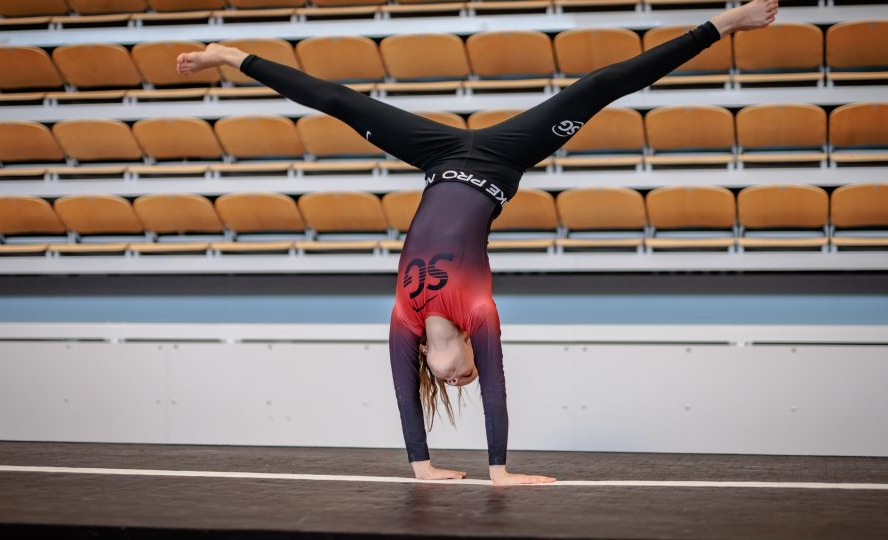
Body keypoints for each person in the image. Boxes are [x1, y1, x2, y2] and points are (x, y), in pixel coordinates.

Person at [177, 0, 778, 486]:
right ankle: (723, 25)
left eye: (450, 382)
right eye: (467, 377)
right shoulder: (479, 314)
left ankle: (231, 56)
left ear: (429, 362)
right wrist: (499, 471)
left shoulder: (404, 320)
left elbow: (406, 403)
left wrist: (422, 467)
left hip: (438, 158)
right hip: (502, 161)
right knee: (599, 87)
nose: (461, 381)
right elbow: (498, 390)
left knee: (337, 101)